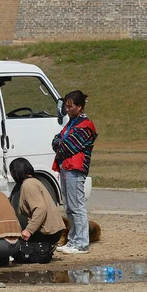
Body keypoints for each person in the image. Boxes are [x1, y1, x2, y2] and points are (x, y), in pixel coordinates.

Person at [52, 90, 97, 255]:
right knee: (69, 206)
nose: (67, 109)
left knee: (77, 206)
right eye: (66, 106)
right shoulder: (71, 123)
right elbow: (57, 140)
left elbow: (67, 146)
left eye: (70, 106)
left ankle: (82, 243)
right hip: (66, 167)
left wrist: (59, 143)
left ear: (79, 107)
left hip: (76, 169)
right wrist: (59, 143)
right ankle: (72, 240)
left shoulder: (85, 125)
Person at [9, 158, 65, 247]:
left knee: (12, 243)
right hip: (52, 230)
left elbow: (40, 209)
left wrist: (28, 230)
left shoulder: (28, 185)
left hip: (48, 233)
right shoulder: (33, 181)